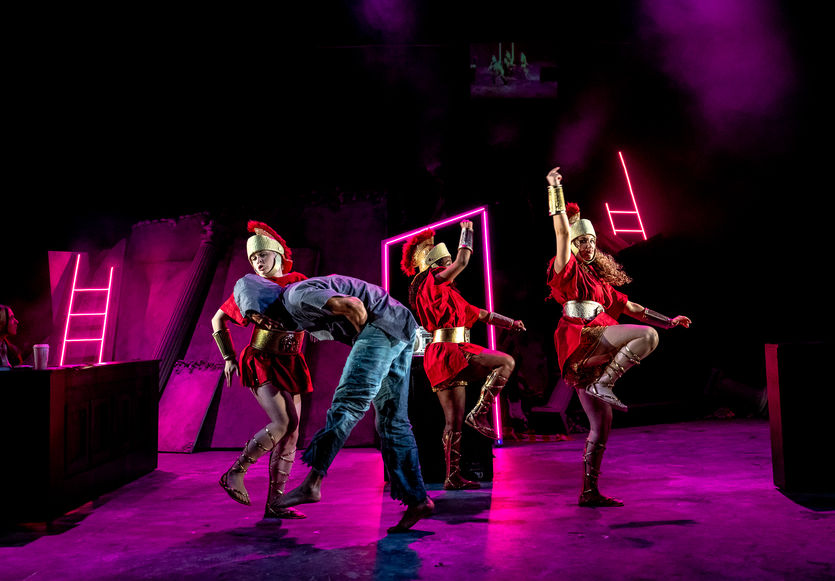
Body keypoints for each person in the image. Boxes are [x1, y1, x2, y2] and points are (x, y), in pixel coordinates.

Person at [232, 272, 434, 532]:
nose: (267, 325)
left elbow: (354, 305)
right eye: (257, 322)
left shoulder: (295, 297)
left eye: (261, 316)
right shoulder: (295, 310)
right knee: (392, 421)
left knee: (347, 404)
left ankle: (313, 483)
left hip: (382, 327)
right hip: (400, 326)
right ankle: (418, 500)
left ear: (267, 301)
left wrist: (366, 345)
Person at [545, 166, 691, 507]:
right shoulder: (565, 267)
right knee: (648, 337)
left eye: (591, 241)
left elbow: (634, 308)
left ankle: (589, 491)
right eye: (582, 240)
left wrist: (669, 321)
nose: (587, 245)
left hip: (592, 351)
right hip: (582, 338)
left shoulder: (600, 283)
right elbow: (561, 232)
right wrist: (554, 189)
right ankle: (605, 383)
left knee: (601, 426)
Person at [400, 221, 524, 490]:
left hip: (455, 350)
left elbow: (482, 314)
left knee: (454, 422)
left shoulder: (450, 295)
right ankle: (479, 414)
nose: (450, 268)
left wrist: (511, 323)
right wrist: (467, 232)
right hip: (446, 352)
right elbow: (463, 261)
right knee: (505, 362)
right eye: (446, 264)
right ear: (435, 266)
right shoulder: (430, 283)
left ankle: (452, 476)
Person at [212, 221, 313, 519]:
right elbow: (218, 320)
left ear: (277, 254)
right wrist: (228, 357)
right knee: (282, 422)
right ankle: (235, 472)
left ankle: (276, 504)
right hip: (262, 359)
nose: (257, 261)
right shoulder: (250, 286)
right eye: (253, 258)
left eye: (262, 255)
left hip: (292, 361)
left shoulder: (298, 281)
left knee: (292, 432)